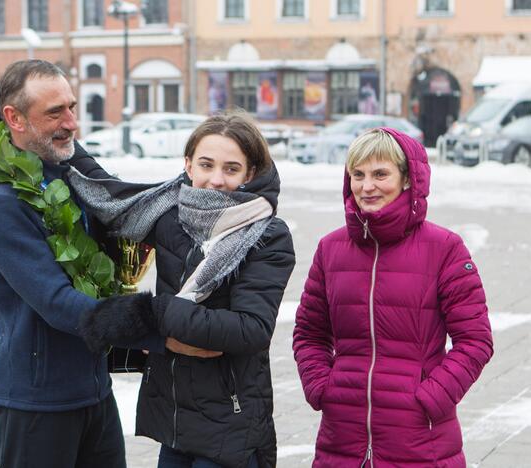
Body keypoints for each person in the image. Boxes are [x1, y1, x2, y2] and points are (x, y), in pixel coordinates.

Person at [0, 60, 212, 468]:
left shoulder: (70, 173)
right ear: (14, 119)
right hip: (35, 405)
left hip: (93, 390)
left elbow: (124, 201)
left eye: (72, 106)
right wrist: (160, 329)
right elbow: (59, 303)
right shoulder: (1, 205)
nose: (72, 122)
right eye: (55, 112)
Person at [68, 112, 296, 468]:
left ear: (250, 174)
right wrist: (57, 135)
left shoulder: (267, 235)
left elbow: (250, 330)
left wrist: (155, 313)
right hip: (173, 424)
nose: (215, 180)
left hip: (229, 429)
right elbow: (108, 191)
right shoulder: (169, 215)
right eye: (206, 164)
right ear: (188, 164)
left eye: (231, 169)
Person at [292, 128, 494, 467]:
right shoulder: (330, 249)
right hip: (341, 440)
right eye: (358, 175)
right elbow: (309, 332)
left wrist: (431, 398)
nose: (367, 186)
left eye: (380, 174)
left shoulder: (445, 249)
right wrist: (322, 387)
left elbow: (475, 341)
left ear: (407, 180)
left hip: (419, 441)